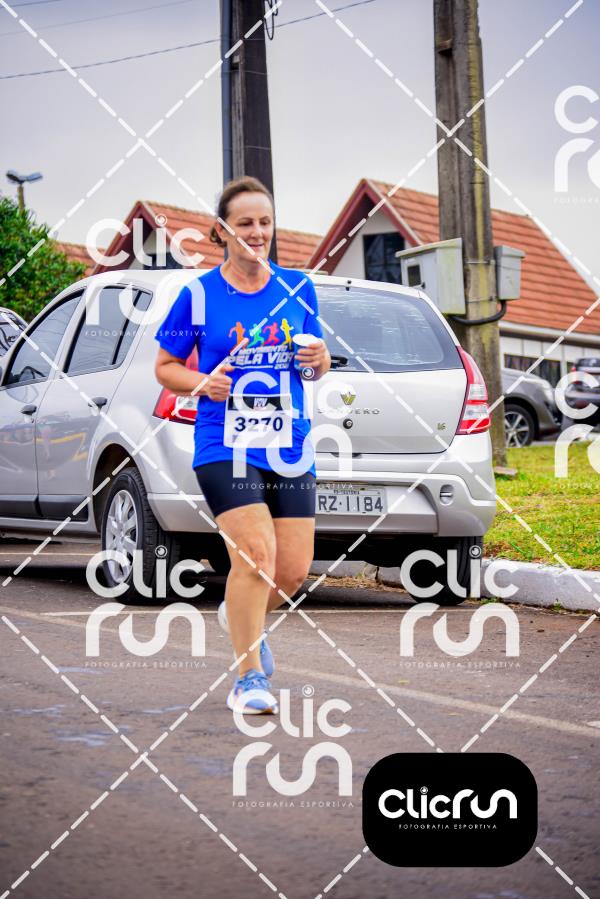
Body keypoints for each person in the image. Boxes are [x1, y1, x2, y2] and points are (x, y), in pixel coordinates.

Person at [154, 176, 331, 715]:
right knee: (255, 557)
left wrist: (319, 360)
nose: (257, 232)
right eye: (245, 223)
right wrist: (202, 382)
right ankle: (248, 678)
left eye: (265, 222)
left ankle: (240, 613)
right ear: (222, 231)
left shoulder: (299, 289)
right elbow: (165, 368)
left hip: (289, 444)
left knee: (292, 571)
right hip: (224, 443)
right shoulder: (198, 295)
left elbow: (316, 366)